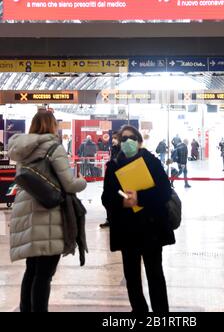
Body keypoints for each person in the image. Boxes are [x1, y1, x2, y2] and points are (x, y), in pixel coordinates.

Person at [7, 110, 87, 312]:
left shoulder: (21, 149)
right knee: (44, 274)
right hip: (47, 213)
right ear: (52, 126)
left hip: (25, 210)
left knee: (32, 270)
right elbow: (69, 184)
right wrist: (83, 182)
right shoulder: (53, 147)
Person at [102, 125, 175, 314]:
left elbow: (165, 192)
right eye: (123, 138)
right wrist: (122, 201)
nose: (127, 142)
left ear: (139, 141)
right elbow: (106, 196)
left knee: (155, 274)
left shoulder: (152, 162)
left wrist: (139, 197)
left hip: (151, 227)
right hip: (127, 229)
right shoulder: (113, 166)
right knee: (132, 277)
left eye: (131, 138)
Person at [100, 131, 121, 229]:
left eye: (115, 138)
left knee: (119, 198)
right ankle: (109, 219)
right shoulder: (113, 148)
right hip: (112, 177)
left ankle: (115, 219)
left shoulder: (122, 149)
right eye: (113, 138)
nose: (113, 140)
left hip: (121, 178)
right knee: (107, 198)